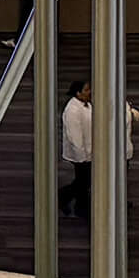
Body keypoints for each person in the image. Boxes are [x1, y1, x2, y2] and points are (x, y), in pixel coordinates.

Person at [59, 79, 92, 219]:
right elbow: (75, 137)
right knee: (83, 181)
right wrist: (82, 157)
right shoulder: (72, 110)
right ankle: (75, 204)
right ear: (78, 93)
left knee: (83, 181)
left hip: (88, 151)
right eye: (86, 90)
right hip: (80, 154)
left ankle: (75, 203)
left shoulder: (87, 105)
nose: (89, 92)